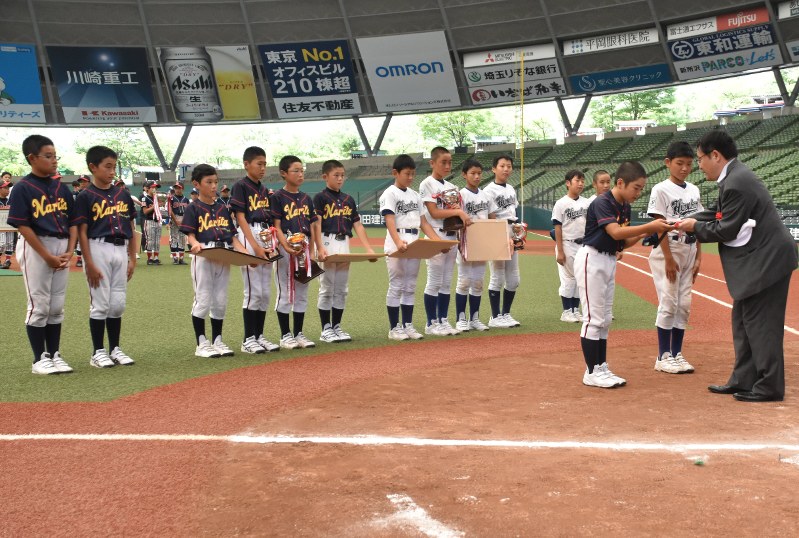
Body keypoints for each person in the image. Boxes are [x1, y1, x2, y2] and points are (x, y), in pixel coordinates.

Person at [679, 129, 798, 402]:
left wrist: (694, 226)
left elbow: (726, 228)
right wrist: (685, 221)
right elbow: (717, 213)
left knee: (762, 325)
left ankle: (769, 387)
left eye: (699, 159)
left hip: (767, 262)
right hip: (762, 259)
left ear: (716, 155)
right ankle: (744, 379)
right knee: (743, 322)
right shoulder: (733, 177)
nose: (698, 165)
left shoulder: (736, 182)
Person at [574, 161, 673, 389]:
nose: (639, 193)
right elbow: (615, 231)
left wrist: (648, 234)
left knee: (605, 319)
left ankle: (601, 366)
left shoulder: (624, 206)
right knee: (593, 319)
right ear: (621, 182)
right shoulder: (603, 202)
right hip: (592, 258)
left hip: (608, 258)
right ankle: (591, 371)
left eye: (641, 188)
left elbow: (622, 241)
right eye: (636, 188)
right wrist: (649, 227)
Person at [8, 135, 78, 375]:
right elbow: (23, 225)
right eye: (48, 156)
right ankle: (39, 359)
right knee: (39, 305)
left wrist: (70, 250)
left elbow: (73, 222)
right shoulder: (23, 188)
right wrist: (46, 255)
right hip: (36, 246)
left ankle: (55, 354)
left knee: (56, 306)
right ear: (32, 158)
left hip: (61, 246)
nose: (53, 160)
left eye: (55, 155)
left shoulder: (61, 187)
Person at [72, 146, 138, 368]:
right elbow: (81, 230)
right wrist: (88, 262)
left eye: (113, 167)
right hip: (97, 246)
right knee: (100, 303)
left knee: (117, 303)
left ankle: (115, 349)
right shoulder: (85, 196)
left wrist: (133, 258)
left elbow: (131, 225)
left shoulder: (123, 195)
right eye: (107, 167)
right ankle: (98, 352)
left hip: (120, 248)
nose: (112, 172)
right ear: (93, 167)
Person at [646, 141, 703, 374]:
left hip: (689, 249)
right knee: (669, 302)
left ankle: (677, 353)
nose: (684, 168)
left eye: (689, 164)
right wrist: (668, 258)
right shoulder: (660, 189)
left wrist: (699, 256)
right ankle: (662, 355)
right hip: (668, 248)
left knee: (685, 304)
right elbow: (659, 226)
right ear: (668, 162)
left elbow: (698, 224)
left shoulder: (694, 190)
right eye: (679, 163)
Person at [180, 164, 247, 358]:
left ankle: (217, 339)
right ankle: (201, 342)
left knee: (220, 300)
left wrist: (245, 255)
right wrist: (194, 244)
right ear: (196, 184)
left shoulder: (222, 208)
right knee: (203, 298)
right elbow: (189, 234)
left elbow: (232, 237)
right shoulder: (193, 208)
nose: (213, 186)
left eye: (215, 182)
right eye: (208, 182)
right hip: (204, 253)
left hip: (223, 253)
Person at [380, 154, 443, 341]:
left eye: (413, 174)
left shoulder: (415, 195)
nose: (410, 177)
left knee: (410, 285)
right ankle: (394, 328)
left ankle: (407, 324)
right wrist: (398, 241)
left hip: (414, 241)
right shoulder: (389, 193)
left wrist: (437, 241)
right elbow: (389, 220)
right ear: (395, 173)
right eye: (407, 173)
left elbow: (424, 223)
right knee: (397, 284)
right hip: (397, 241)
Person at [313, 159, 376, 343]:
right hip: (327, 240)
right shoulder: (320, 198)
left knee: (341, 288)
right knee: (327, 287)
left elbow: (357, 224)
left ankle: (336, 326)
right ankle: (326, 329)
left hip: (344, 242)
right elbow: (316, 223)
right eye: (336, 175)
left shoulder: (348, 199)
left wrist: (369, 248)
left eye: (342, 175)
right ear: (325, 176)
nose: (340, 179)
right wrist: (320, 247)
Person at [229, 146, 280, 354]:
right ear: (246, 164)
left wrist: (267, 243)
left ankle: (259, 336)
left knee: (265, 292)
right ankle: (247, 339)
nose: (262, 168)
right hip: (249, 233)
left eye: (265, 164)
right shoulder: (240, 186)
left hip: (264, 234)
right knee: (252, 291)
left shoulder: (263, 189)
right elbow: (240, 218)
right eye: (259, 163)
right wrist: (255, 247)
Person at [419, 146, 471, 336]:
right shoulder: (427, 184)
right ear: (432, 163)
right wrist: (458, 211)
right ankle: (431, 323)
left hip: (451, 236)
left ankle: (443, 320)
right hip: (436, 235)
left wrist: (460, 216)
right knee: (434, 281)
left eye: (450, 162)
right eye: (443, 162)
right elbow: (433, 212)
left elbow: (451, 213)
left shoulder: (451, 187)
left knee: (446, 282)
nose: (447, 165)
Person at [271, 155, 318, 349]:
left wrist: (312, 251)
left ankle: (298, 333)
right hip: (285, 248)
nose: (300, 174)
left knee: (302, 292)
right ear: (284, 173)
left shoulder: (306, 198)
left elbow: (313, 225)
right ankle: (285, 335)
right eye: (296, 171)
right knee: (285, 291)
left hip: (304, 248)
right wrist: (287, 246)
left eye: (302, 170)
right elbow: (276, 226)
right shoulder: (277, 197)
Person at [483, 154, 521, 328]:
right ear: (493, 169)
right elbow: (490, 217)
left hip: (512, 230)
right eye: (502, 166)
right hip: (497, 230)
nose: (506, 169)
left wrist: (517, 230)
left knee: (514, 279)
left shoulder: (511, 189)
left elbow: (512, 212)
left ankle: (505, 314)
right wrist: (500, 236)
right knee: (497, 276)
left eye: (509, 166)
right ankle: (494, 316)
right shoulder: (488, 191)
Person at [454, 159, 490, 332]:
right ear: (464, 174)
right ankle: (461, 317)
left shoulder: (484, 195)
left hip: (482, 241)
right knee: (464, 280)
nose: (476, 176)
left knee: (478, 281)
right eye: (472, 173)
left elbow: (490, 217)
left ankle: (474, 318)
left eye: (479, 173)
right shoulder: (460, 195)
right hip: (466, 240)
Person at [552, 170, 590, 323]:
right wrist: (560, 250)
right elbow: (557, 227)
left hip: (583, 244)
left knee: (580, 278)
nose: (580, 183)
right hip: (567, 244)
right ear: (568, 183)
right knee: (569, 279)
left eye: (582, 180)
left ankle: (575, 310)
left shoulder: (586, 202)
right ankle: (566, 311)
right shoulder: (561, 203)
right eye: (577, 180)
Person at [140, 180, 162, 265]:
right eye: (153, 187)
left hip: (158, 221)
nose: (155, 189)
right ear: (148, 189)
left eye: (156, 187)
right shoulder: (144, 198)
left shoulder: (158, 198)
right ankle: (149, 258)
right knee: (150, 240)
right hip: (149, 221)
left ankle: (156, 258)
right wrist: (155, 206)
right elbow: (145, 211)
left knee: (157, 241)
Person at [167, 182, 189, 264]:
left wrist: (184, 220)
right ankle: (175, 258)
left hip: (183, 218)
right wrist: (175, 220)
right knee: (174, 238)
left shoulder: (186, 199)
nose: (177, 190)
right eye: (176, 188)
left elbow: (188, 211)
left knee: (182, 239)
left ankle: (181, 258)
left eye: (179, 188)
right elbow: (170, 210)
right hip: (174, 217)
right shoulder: (171, 198)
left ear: (182, 188)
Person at [73, 175, 90, 267]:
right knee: (80, 238)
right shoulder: (76, 194)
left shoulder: (92, 193)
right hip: (79, 218)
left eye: (84, 181)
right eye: (81, 181)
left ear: (88, 182)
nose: (82, 183)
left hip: (90, 219)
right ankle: (79, 259)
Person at [1, 178, 14, 269]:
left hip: (9, 225)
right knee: (1, 244)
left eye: (8, 188)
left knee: (9, 243)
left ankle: (7, 260)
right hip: (0, 226)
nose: (7, 190)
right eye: (5, 188)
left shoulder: (10, 201)